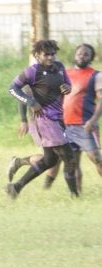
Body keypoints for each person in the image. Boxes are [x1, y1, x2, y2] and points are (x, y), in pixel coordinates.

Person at [5, 39, 79, 199]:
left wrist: (68, 88)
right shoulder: (32, 71)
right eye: (46, 54)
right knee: (70, 158)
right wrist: (30, 101)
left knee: (49, 160)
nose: (51, 57)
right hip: (44, 120)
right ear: (37, 55)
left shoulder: (59, 67)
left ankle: (16, 187)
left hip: (58, 119)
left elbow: (67, 84)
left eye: (53, 54)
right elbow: (13, 88)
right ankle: (75, 196)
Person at [63, 43, 102, 189]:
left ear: (91, 58)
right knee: (73, 162)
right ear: (75, 55)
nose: (82, 56)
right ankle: (77, 195)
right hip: (66, 125)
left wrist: (93, 120)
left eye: (86, 54)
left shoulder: (96, 75)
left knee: (97, 158)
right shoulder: (65, 74)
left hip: (84, 125)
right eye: (79, 53)